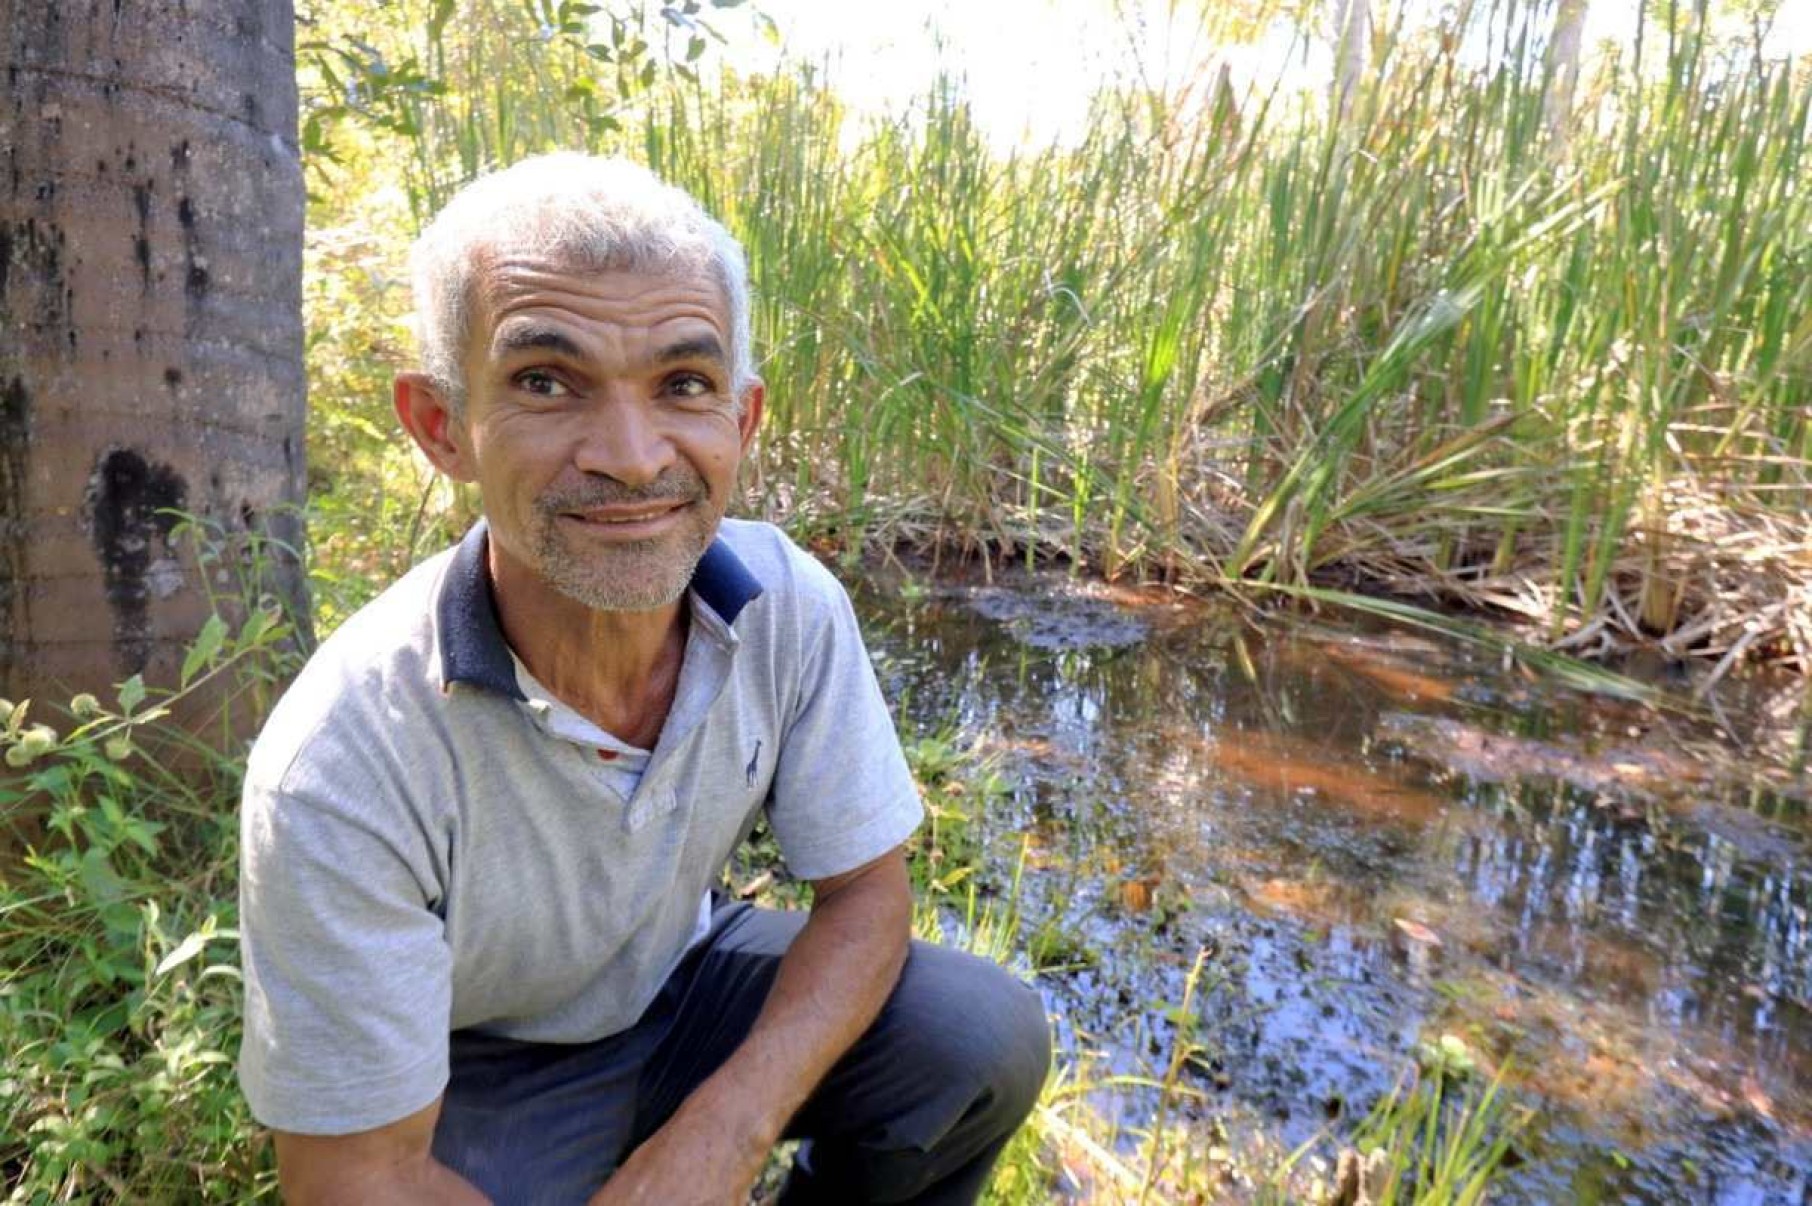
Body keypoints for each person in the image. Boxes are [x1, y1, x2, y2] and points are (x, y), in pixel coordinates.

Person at [236, 153, 1050, 1205]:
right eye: (544, 381)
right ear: (444, 426)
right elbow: (352, 1176)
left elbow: (865, 897)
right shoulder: (345, 757)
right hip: (480, 1064)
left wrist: (726, 1129)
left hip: (685, 983)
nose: (629, 454)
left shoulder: (787, 607)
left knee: (976, 1035)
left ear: (742, 422)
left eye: (683, 384)